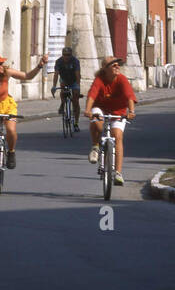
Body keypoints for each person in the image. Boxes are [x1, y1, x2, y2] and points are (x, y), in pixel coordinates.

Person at [0, 51, 46, 176]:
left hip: (7, 105)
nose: (3, 65)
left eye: (3, 63)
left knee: (11, 130)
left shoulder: (7, 72)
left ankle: (11, 152)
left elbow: (27, 76)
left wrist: (39, 66)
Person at [84, 56, 137, 186]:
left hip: (118, 111)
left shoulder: (122, 79)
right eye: (113, 65)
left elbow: (129, 96)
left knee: (117, 136)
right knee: (96, 121)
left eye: (118, 64)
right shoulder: (99, 80)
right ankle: (95, 147)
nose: (117, 66)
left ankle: (118, 173)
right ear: (105, 69)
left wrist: (131, 111)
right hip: (100, 108)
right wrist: (87, 110)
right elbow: (92, 95)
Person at [51, 47, 82, 132]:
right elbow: (56, 74)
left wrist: (78, 87)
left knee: (76, 101)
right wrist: (54, 86)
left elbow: (78, 75)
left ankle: (76, 123)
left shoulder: (75, 61)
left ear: (71, 55)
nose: (66, 57)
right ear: (62, 55)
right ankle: (62, 103)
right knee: (63, 89)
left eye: (68, 55)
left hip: (74, 80)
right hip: (64, 79)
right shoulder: (59, 61)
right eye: (64, 55)